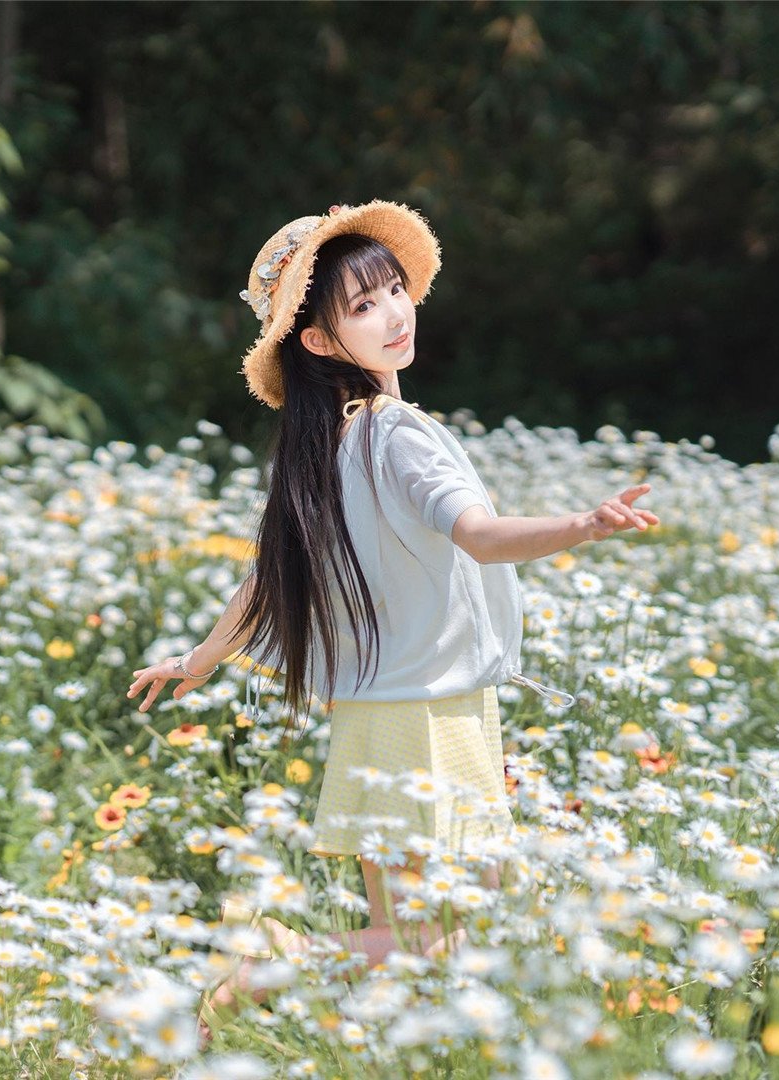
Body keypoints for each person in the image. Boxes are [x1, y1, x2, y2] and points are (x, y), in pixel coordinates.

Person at [124, 198, 660, 1021]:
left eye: (393, 290)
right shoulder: (395, 433)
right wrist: (585, 525)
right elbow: (477, 536)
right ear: (318, 342)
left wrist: (194, 662)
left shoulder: (326, 448)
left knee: (448, 942)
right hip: (422, 721)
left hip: (402, 716)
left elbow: (266, 585)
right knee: (434, 944)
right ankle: (257, 974)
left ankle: (309, 1002)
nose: (394, 314)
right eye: (362, 306)